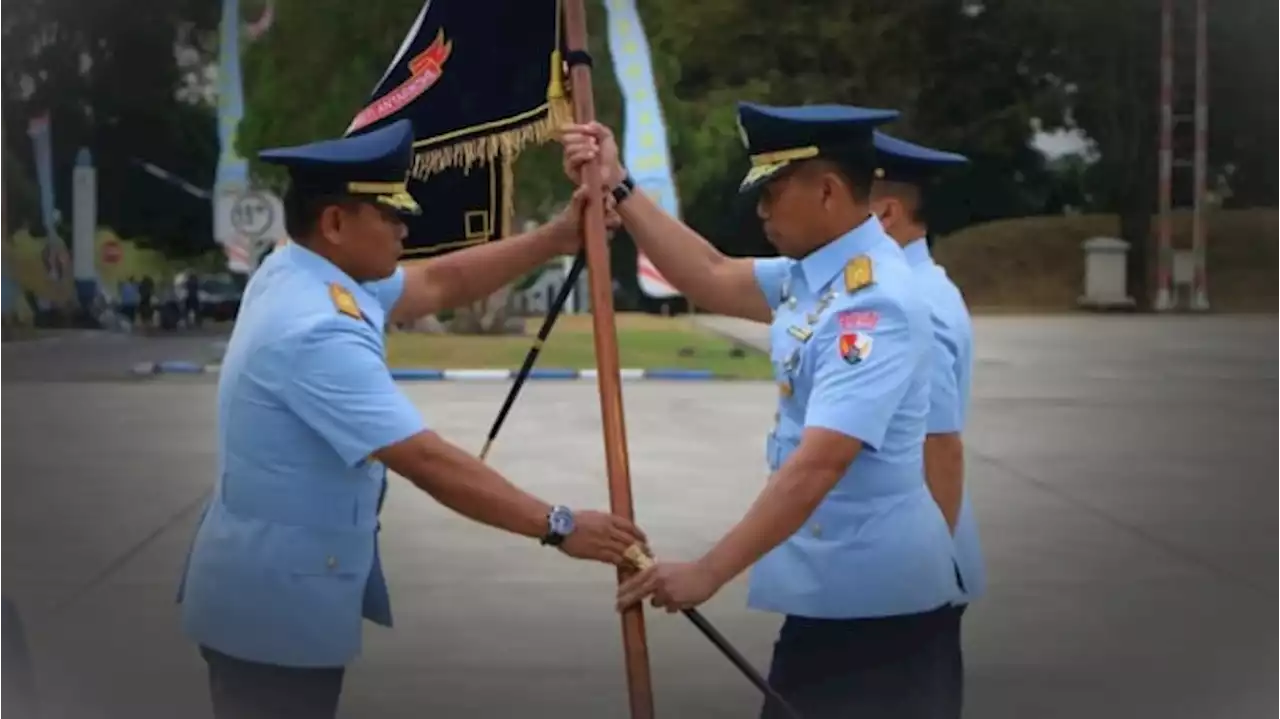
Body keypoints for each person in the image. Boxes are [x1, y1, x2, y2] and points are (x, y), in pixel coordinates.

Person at [176, 118, 647, 719]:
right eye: (390, 215)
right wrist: (558, 524)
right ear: (336, 223)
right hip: (273, 613)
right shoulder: (316, 327)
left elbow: (438, 281)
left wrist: (555, 238)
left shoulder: (302, 268)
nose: (405, 226)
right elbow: (423, 458)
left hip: (267, 591)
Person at [561, 104, 963, 718]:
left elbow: (820, 464)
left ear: (827, 191)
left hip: (879, 617)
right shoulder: (819, 278)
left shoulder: (873, 303)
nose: (761, 210)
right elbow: (711, 274)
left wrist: (708, 571)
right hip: (835, 603)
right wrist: (619, 185)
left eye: (773, 192)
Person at [869, 130, 984, 717]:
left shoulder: (917, 302)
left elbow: (941, 447)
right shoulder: (900, 286)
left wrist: (922, 580)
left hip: (911, 579)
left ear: (885, 213)